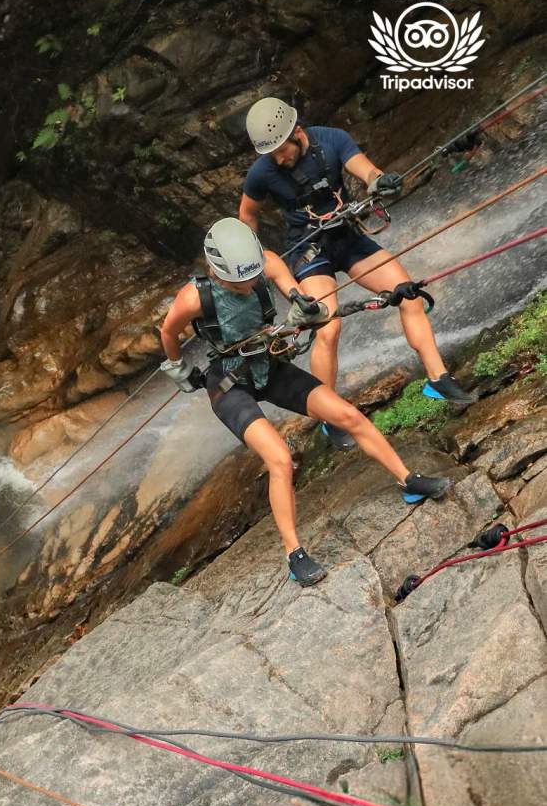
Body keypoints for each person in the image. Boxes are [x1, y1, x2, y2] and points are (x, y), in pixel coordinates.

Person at [159, 217, 451, 586]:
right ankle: (294, 554)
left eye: (252, 276)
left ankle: (408, 480)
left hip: (270, 364)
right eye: (241, 281)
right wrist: (179, 368)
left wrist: (305, 309)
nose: (251, 284)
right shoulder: (194, 297)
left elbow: (299, 297)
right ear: (218, 274)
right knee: (280, 458)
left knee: (347, 414)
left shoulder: (267, 262)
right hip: (229, 384)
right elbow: (168, 331)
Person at [237, 97, 475, 450]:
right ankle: (329, 419)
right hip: (308, 249)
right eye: (270, 154)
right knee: (328, 327)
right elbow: (247, 215)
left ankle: (438, 378)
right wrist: (251, 255)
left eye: (281, 150)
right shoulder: (262, 173)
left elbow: (366, 170)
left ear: (296, 132)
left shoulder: (331, 139)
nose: (278, 159)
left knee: (407, 292)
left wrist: (379, 182)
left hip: (347, 237)